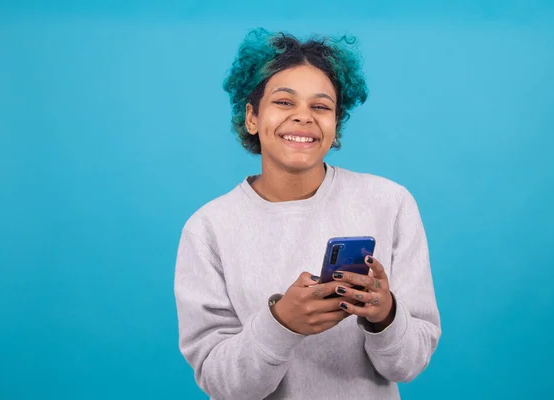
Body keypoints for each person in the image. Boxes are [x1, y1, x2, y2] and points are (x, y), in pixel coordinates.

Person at [174, 28, 441, 400]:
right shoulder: (207, 229)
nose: (303, 117)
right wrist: (281, 323)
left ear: (336, 124)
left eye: (320, 106)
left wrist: (385, 315)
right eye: (284, 102)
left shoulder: (390, 202)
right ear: (252, 117)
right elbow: (223, 384)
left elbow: (408, 366)